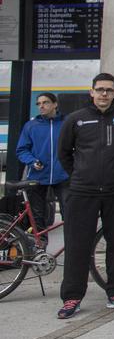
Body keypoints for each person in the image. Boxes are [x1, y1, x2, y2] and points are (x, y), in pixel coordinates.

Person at [55, 73, 114, 319]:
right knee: (77, 245)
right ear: (91, 92)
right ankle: (72, 297)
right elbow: (64, 153)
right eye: (100, 89)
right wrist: (80, 175)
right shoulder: (76, 119)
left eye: (109, 90)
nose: (104, 94)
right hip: (83, 192)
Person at [15, 93, 68, 238]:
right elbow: (21, 150)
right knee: (37, 218)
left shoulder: (66, 123)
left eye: (45, 102)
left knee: (70, 215)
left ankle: (72, 249)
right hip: (37, 176)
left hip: (63, 176)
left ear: (55, 104)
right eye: (38, 104)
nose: (41, 106)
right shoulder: (31, 126)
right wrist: (32, 161)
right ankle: (40, 252)